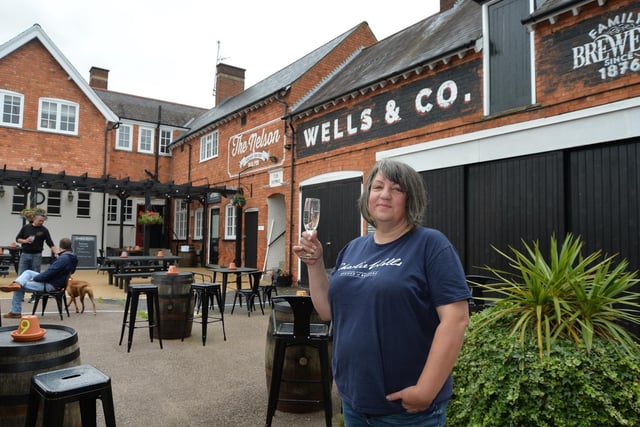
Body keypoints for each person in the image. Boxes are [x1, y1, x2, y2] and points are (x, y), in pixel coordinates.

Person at [293, 159, 471, 426]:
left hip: (406, 412)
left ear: (411, 199)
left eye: (396, 188)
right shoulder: (353, 248)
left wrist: (425, 390)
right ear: (367, 198)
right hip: (354, 402)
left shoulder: (431, 245)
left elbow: (456, 319)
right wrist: (315, 264)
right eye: (377, 187)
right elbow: (329, 311)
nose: (385, 194)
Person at [1, 237, 77, 318]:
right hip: (58, 282)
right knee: (28, 272)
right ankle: (16, 283)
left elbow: (50, 273)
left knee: (18, 287)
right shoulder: (73, 258)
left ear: (60, 247)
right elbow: (71, 272)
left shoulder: (62, 259)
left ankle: (15, 312)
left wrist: (36, 278)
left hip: (51, 284)